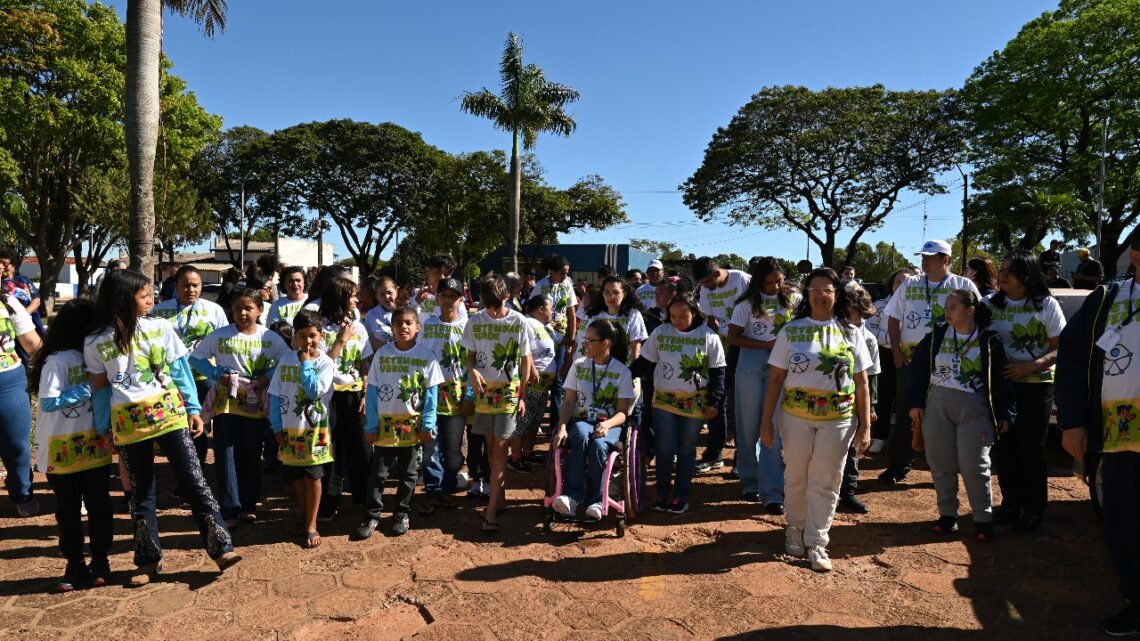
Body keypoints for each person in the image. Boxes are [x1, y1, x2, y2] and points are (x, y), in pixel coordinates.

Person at [85, 270, 240, 586]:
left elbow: (180, 371)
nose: (151, 300)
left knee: (195, 481)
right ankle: (147, 560)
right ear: (124, 300)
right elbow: (100, 390)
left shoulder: (160, 327)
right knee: (140, 494)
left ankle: (221, 548)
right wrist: (104, 429)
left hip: (171, 418)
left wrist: (194, 409)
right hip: (129, 428)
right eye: (144, 296)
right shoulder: (96, 341)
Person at [1055, 235, 1140, 635]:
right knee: (1124, 519)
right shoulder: (1107, 299)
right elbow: (1072, 360)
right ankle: (1136, 601)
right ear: (1136, 255)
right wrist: (1072, 421)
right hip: (1121, 437)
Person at [761, 267, 871, 572]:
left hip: (838, 419)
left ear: (837, 294)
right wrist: (765, 421)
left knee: (827, 479)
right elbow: (775, 380)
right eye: (814, 290)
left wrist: (865, 426)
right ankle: (794, 527)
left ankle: (817, 541)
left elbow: (862, 382)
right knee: (796, 474)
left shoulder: (851, 331)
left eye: (827, 290)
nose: (820, 295)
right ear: (806, 295)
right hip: (794, 416)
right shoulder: (791, 330)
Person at [907, 289, 1015, 543]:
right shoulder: (935, 336)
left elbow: (1001, 380)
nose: (948, 311)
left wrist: (1005, 412)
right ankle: (947, 516)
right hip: (937, 405)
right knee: (940, 463)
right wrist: (914, 404)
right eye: (946, 306)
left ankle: (983, 519)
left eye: (953, 306)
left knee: (975, 465)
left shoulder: (989, 341)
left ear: (971, 309)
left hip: (976, 409)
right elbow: (917, 371)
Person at [881, 239, 981, 484]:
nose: (924, 261)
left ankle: (946, 468)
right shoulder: (910, 284)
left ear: (945, 260)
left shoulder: (962, 284)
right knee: (907, 409)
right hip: (911, 359)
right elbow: (893, 318)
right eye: (922, 256)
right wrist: (895, 350)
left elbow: (980, 316)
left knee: (945, 412)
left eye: (929, 257)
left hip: (950, 358)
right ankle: (898, 464)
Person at [29, 299, 113, 591]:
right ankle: (74, 562)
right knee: (67, 510)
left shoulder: (96, 355)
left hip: (95, 443)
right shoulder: (58, 360)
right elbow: (50, 401)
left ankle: (101, 559)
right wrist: (90, 386)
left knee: (100, 505)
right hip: (61, 448)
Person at [190, 288, 291, 526]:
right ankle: (230, 508)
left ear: (259, 310)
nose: (242, 313)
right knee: (226, 454)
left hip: (256, 405)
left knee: (252, 454)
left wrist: (267, 376)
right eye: (237, 308)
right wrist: (216, 374)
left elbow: (287, 360)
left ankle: (248, 504)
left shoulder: (269, 337)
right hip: (226, 403)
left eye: (248, 308)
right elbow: (195, 358)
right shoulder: (220, 335)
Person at [986, 250, 1065, 531]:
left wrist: (1030, 366)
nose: (1002, 275)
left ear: (1027, 276)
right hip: (1002, 389)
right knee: (1005, 448)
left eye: (1009, 270)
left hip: (1037, 387)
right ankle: (1010, 506)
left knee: (1031, 448)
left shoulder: (1047, 306)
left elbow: (1059, 347)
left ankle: (1033, 510)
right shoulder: (990, 305)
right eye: (1001, 269)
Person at [356, 306, 443, 538]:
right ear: (392, 327)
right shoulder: (382, 355)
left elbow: (431, 395)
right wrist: (371, 425)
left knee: (409, 473)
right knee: (379, 473)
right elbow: (372, 393)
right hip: (385, 428)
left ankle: (401, 513)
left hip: (413, 429)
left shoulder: (427, 357)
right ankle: (373, 514)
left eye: (408, 323)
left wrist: (428, 424)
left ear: (417, 327)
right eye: (398, 323)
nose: (403, 327)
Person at [635, 294, 726, 513]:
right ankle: (663, 493)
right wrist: (623, 376)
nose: (677, 320)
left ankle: (681, 496)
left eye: (682, 316)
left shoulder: (708, 336)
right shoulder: (660, 333)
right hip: (664, 400)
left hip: (695, 403)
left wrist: (714, 401)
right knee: (665, 449)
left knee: (686, 449)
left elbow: (718, 372)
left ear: (694, 313)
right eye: (673, 316)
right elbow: (645, 362)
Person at [727, 257, 801, 513]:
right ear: (758, 281)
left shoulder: (794, 300)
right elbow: (733, 337)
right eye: (769, 282)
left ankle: (772, 491)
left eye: (779, 281)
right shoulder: (745, 304)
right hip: (750, 363)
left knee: (774, 428)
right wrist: (765, 346)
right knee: (748, 426)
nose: (774, 287)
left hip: (782, 366)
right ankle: (749, 480)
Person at [461, 274, 534, 533]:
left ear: (506, 297)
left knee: (500, 450)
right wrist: (472, 372)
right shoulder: (475, 321)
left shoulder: (519, 321)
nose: (492, 310)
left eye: (496, 303)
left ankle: (491, 512)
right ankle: (499, 497)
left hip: (509, 394)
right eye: (487, 303)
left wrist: (523, 396)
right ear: (481, 299)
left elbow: (526, 360)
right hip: (483, 394)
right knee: (491, 450)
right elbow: (469, 356)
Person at [551, 319, 635, 520]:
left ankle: (596, 500)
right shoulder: (578, 365)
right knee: (579, 436)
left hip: (609, 422)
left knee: (598, 446)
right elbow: (569, 402)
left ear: (605, 343)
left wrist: (606, 424)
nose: (584, 344)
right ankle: (572, 496)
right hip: (581, 420)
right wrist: (562, 427)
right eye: (585, 339)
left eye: (590, 340)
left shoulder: (622, 371)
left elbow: (623, 412)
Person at [153, 265, 230, 474]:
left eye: (195, 285)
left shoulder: (214, 310)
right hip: (171, 379)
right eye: (185, 285)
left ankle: (199, 472)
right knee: (179, 427)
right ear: (176, 286)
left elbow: (223, 343)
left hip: (204, 376)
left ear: (201, 286)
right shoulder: (160, 310)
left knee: (201, 427)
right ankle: (186, 474)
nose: (190, 290)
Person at [268, 310, 336, 549]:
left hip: (315, 431)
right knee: (296, 476)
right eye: (302, 336)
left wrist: (306, 365)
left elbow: (314, 391)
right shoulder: (285, 361)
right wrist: (276, 427)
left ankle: (312, 523)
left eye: (312, 335)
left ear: (321, 336)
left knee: (313, 476)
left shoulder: (326, 363)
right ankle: (304, 514)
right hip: (290, 431)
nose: (307, 341)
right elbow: (275, 395)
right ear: (294, 337)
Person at [316, 277, 373, 522]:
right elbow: (321, 363)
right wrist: (340, 340)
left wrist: (365, 391)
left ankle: (363, 497)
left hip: (354, 394)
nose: (356, 300)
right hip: (328, 395)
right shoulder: (319, 328)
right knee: (331, 449)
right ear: (339, 297)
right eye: (352, 296)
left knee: (360, 448)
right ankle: (330, 501)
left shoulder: (357, 326)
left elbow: (364, 362)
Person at [417, 278, 472, 511]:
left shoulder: (468, 327)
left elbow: (473, 363)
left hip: (457, 397)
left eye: (453, 296)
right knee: (429, 447)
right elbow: (418, 357)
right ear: (437, 297)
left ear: (461, 299)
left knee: (452, 448)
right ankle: (433, 489)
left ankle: (448, 487)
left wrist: (469, 394)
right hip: (430, 395)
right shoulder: (427, 325)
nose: (448, 300)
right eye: (444, 295)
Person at [692, 256, 750, 472]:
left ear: (717, 273)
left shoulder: (742, 280)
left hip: (746, 344)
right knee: (718, 398)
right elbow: (711, 319)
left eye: (707, 281)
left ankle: (743, 457)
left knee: (743, 401)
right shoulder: (706, 290)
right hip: (724, 346)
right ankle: (714, 454)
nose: (705, 287)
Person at [864, 267, 917, 455]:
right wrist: (894, 340)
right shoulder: (879, 304)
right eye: (898, 281)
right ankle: (880, 437)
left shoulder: (918, 305)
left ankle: (913, 440)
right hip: (885, 355)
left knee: (909, 400)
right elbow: (869, 328)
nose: (902, 285)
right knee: (884, 397)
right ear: (891, 284)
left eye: (906, 281)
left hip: (913, 356)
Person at [838, 282, 880, 514]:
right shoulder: (833, 329)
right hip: (831, 399)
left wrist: (871, 407)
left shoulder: (869, 338)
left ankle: (848, 492)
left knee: (851, 450)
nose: (850, 315)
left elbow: (871, 377)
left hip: (855, 401)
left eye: (854, 311)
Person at [0, 283, 42, 517]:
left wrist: (61, 364)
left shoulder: (8, 302)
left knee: (16, 445)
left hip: (8, 382)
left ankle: (22, 491)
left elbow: (32, 343)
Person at [512, 295, 561, 474]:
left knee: (535, 421)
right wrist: (531, 367)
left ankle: (527, 453)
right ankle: (515, 457)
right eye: (550, 308)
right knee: (524, 422)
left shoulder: (544, 327)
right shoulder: (528, 322)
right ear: (540, 309)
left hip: (543, 385)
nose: (552, 311)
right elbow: (523, 349)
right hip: (532, 383)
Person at [0, 250, 45, 336]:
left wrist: (24, 314)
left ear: (13, 266)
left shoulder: (23, 279)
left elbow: (36, 300)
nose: (2, 266)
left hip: (32, 319)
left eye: (4, 264)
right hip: (13, 325)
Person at [363, 275, 398, 353]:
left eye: (389, 292)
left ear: (396, 291)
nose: (386, 297)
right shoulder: (372, 315)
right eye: (382, 294)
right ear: (377, 296)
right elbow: (367, 340)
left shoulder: (408, 310)